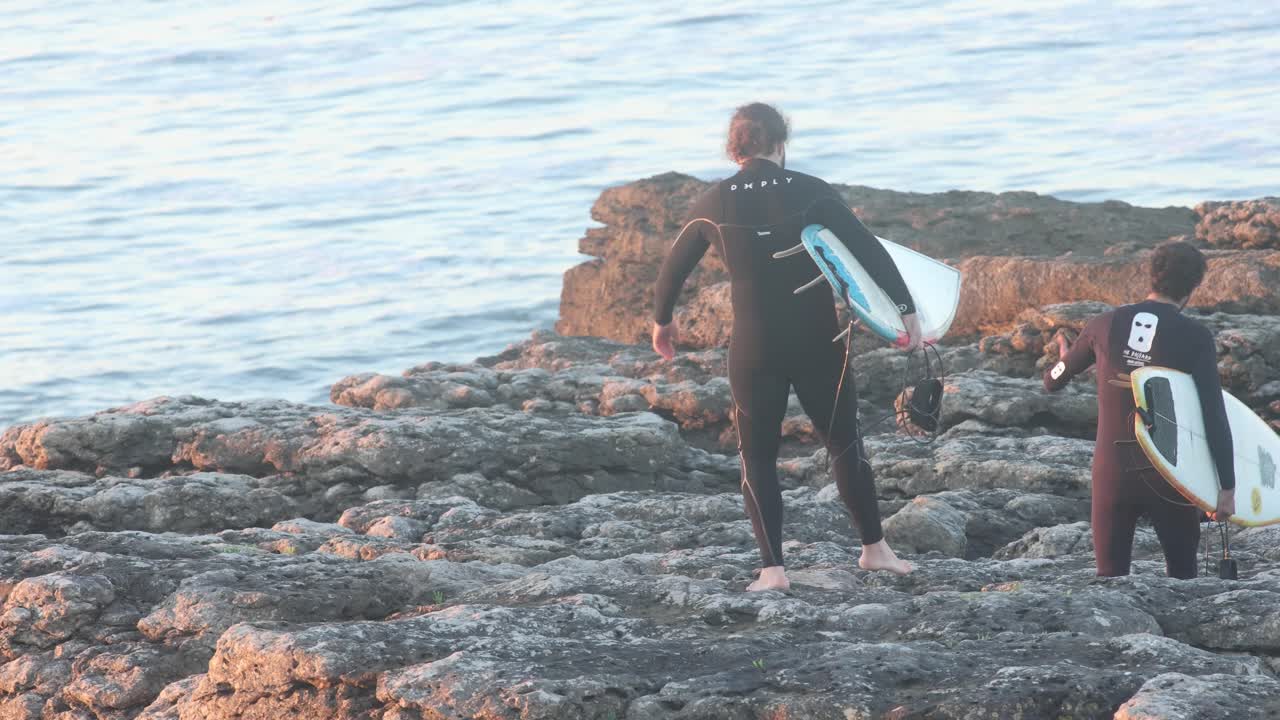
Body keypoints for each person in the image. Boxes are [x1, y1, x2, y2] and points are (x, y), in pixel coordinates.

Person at [651, 102, 919, 591]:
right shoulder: (811, 190)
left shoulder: (712, 202)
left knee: (757, 455)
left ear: (734, 148)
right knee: (844, 442)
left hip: (755, 346)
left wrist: (662, 323)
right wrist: (905, 312)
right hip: (818, 338)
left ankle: (773, 570)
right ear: (780, 143)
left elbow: (674, 269)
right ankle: (875, 550)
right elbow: (867, 248)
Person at [1043, 240, 1234, 579]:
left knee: (1110, 581)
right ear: (1194, 286)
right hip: (1170, 476)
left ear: (1151, 275)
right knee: (1184, 580)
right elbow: (1214, 415)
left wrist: (1066, 357)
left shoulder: (1103, 324)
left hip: (1111, 473)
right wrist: (1226, 487)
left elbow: (1053, 380)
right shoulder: (1195, 336)